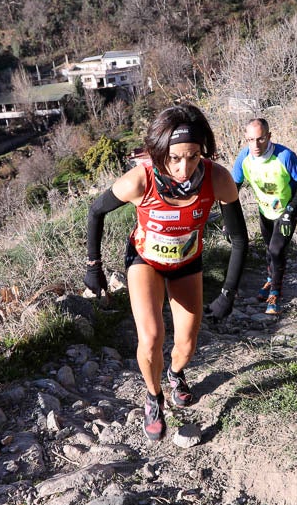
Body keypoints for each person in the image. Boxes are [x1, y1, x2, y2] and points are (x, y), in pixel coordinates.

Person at [85, 104, 249, 441]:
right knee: (152, 338)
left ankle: (175, 374)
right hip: (145, 261)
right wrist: (94, 267)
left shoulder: (218, 179)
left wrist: (228, 293)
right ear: (160, 152)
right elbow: (96, 211)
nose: (184, 167)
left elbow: (238, 238)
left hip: (187, 263)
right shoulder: (140, 180)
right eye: (175, 158)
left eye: (192, 157)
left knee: (186, 345)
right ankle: (153, 397)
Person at [231, 118, 297, 316]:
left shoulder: (285, 156)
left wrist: (291, 210)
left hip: (286, 211)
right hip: (265, 211)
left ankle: (275, 291)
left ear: (268, 136)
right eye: (250, 140)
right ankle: (270, 278)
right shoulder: (244, 159)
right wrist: (229, 220)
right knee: (269, 249)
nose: (255, 145)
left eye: (260, 139)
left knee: (276, 250)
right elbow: (233, 189)